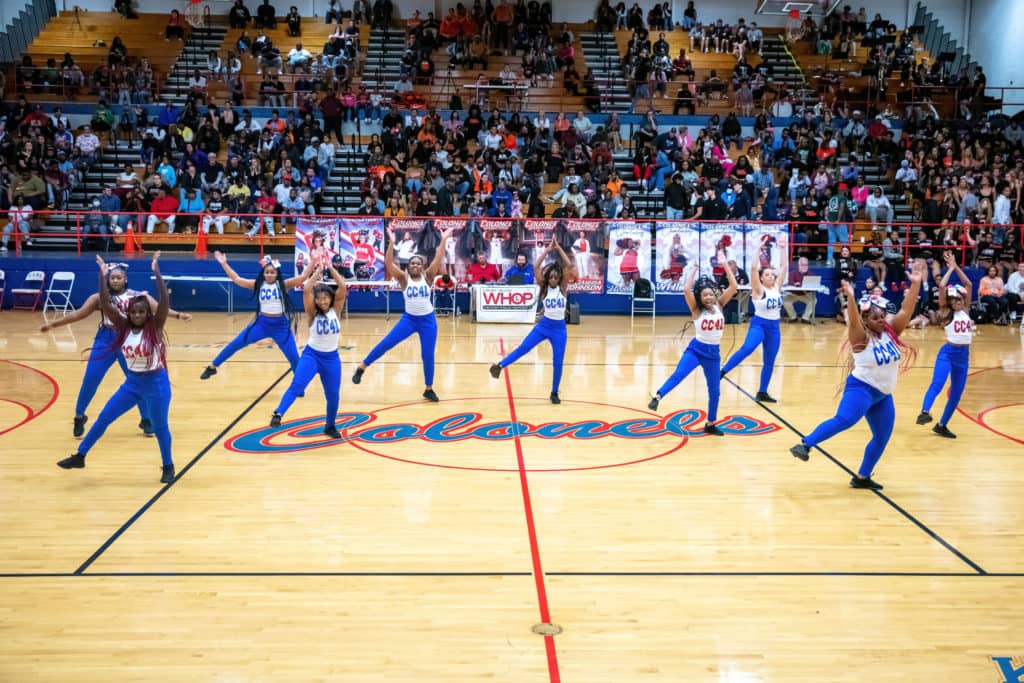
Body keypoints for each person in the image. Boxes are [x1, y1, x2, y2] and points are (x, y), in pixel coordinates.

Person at [790, 267, 923, 490]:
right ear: (866, 320)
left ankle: (862, 477)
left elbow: (906, 309)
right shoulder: (860, 338)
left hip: (883, 395)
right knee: (845, 419)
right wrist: (851, 297)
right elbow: (853, 321)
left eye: (882, 316)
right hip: (861, 389)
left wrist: (916, 284)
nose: (880, 320)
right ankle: (805, 444)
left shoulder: (890, 332)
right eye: (875, 318)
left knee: (882, 437)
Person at [57, 252, 177, 483]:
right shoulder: (122, 327)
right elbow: (104, 302)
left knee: (161, 427)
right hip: (133, 384)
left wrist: (157, 273)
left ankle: (168, 466)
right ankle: (80, 455)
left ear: (148, 313)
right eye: (134, 312)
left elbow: (164, 302)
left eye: (142, 312)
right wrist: (102, 277)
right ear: (127, 313)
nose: (138, 315)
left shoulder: (155, 327)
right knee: (104, 417)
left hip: (156, 384)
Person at [39, 261, 191, 437]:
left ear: (125, 279)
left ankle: (146, 419)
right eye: (112, 278)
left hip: (129, 340)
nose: (115, 280)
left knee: (137, 381)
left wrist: (178, 315)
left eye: (119, 277)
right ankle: (79, 415)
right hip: (106, 338)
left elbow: (158, 308)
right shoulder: (99, 298)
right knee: (91, 378)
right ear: (107, 280)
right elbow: (78, 314)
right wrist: (53, 324)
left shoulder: (136, 296)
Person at [352, 226, 455, 402]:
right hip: (409, 319)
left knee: (428, 355)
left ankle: (428, 389)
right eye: (412, 263)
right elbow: (388, 264)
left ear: (422, 267)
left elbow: (438, 258)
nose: (415, 265)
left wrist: (444, 239)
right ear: (408, 266)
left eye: (418, 263)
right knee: (387, 343)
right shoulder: (403, 278)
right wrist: (391, 242)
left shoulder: (428, 276)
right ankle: (362, 367)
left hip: (428, 321)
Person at [648, 261, 738, 435]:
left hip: (713, 354)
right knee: (679, 374)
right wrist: (694, 269)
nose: (709, 297)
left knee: (715, 392)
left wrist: (725, 265)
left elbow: (733, 286)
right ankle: (657, 397)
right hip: (696, 350)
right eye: (705, 295)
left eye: (711, 294)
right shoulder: (696, 310)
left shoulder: (719, 305)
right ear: (700, 298)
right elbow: (686, 290)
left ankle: (710, 424)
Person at [489, 240, 577, 404]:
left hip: (559, 329)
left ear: (559, 278)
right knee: (523, 348)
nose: (553, 279)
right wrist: (547, 250)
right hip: (544, 326)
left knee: (558, 362)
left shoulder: (563, 288)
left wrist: (558, 248)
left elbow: (569, 265)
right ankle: (500, 366)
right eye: (551, 277)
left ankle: (554, 392)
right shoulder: (544, 288)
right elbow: (536, 267)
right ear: (548, 278)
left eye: (555, 277)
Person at [200, 252, 309, 380]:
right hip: (262, 324)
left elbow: (304, 277)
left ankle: (299, 385)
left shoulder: (284, 285)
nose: (269, 275)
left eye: (272, 272)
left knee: (294, 357)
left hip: (281, 326)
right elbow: (237, 279)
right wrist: (224, 264)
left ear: (277, 273)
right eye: (267, 272)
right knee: (236, 343)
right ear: (263, 273)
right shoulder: (258, 284)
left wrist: (313, 261)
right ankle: (212, 367)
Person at [270, 262, 348, 436]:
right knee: (297, 385)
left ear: (331, 298)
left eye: (325, 297)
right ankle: (278, 413)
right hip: (312, 356)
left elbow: (342, 286)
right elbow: (306, 290)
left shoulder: (336, 310)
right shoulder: (312, 313)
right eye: (319, 298)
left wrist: (330, 267)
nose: (322, 301)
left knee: (333, 395)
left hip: (331, 358)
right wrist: (318, 270)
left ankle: (330, 426)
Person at [917, 252, 973, 438]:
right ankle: (925, 411)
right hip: (948, 353)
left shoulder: (966, 309)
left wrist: (956, 267)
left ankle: (942, 425)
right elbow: (942, 286)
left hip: (963, 356)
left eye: (959, 299)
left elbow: (968, 284)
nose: (958, 302)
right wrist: (949, 270)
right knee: (938, 383)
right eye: (954, 300)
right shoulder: (945, 312)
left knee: (956, 394)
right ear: (949, 301)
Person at [720, 263, 783, 403]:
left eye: (772, 274)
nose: (770, 276)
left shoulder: (777, 287)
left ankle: (762, 392)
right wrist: (757, 252)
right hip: (759, 325)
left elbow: (784, 267)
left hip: (774, 327)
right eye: (767, 274)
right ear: (761, 278)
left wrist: (784, 251)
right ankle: (722, 372)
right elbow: (753, 269)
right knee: (747, 348)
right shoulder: (758, 289)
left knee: (770, 361)